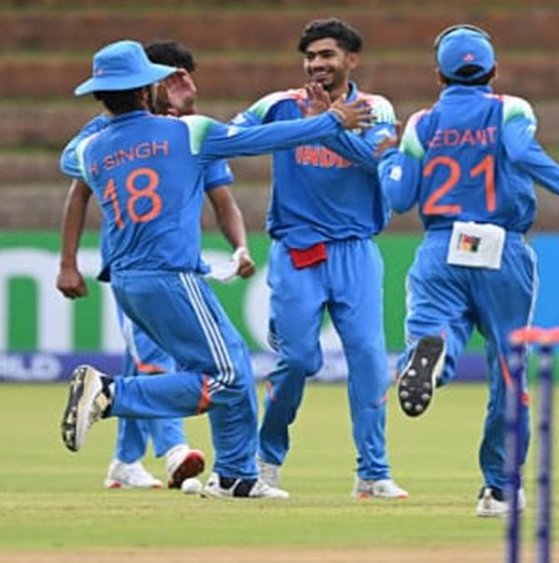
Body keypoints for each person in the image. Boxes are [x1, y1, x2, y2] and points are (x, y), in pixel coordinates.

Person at [58, 39, 372, 499]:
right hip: (170, 275)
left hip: (127, 280)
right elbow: (264, 140)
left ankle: (234, 476)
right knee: (225, 377)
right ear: (146, 89)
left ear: (100, 97)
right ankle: (110, 393)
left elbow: (70, 159)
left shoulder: (91, 149)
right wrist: (331, 121)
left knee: (231, 364)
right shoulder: (188, 132)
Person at [378, 24, 559, 517]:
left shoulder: (421, 123)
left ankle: (431, 356)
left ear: (438, 75)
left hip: (441, 246)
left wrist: (388, 157)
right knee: (508, 369)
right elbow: (520, 152)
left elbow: (399, 198)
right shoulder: (509, 108)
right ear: (493, 71)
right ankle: (499, 489)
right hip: (501, 247)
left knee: (438, 328)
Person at [57, 41, 254, 491]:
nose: (177, 84)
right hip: (140, 269)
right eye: (168, 77)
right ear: (148, 86)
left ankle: (128, 460)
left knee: (193, 363)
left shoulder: (189, 135)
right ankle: (172, 449)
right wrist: (67, 262)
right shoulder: (109, 135)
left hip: (178, 272)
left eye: (184, 76)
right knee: (162, 365)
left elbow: (222, 199)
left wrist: (241, 246)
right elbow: (77, 188)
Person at [230, 17, 407, 499]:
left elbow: (375, 159)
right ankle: (265, 461)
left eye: (327, 55)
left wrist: (328, 125)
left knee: (369, 359)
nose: (316, 64)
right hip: (298, 250)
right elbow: (232, 139)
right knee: (298, 361)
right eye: (310, 57)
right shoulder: (279, 104)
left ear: (352, 59)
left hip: (355, 250)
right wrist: (318, 122)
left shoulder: (375, 108)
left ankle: (373, 473)